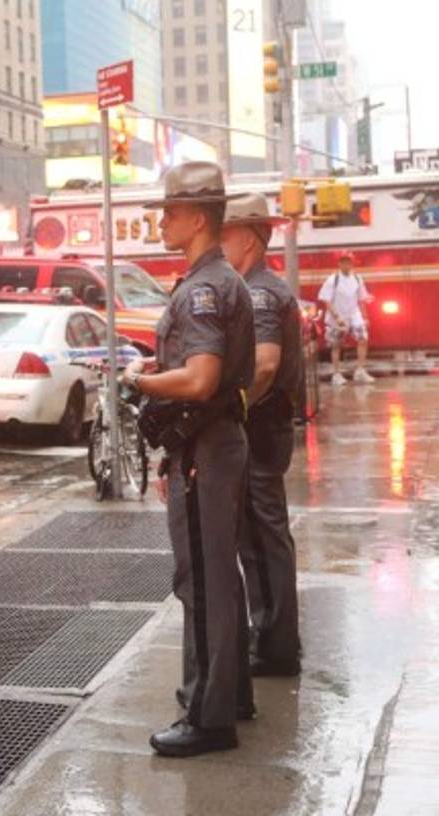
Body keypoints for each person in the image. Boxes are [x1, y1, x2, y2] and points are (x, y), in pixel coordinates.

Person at [119, 162, 256, 758]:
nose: (161, 221)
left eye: (169, 212)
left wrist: (139, 381)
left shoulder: (203, 289)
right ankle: (232, 694)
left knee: (201, 580)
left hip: (206, 447)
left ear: (198, 218)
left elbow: (200, 380)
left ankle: (207, 717)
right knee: (220, 574)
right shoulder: (215, 279)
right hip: (208, 444)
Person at [221, 194, 303, 678]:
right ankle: (274, 637)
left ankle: (274, 645)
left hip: (260, 429)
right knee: (262, 537)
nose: (220, 243)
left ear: (249, 239)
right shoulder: (263, 288)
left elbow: (266, 364)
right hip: (267, 428)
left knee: (261, 538)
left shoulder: (258, 293)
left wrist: (233, 408)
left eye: (226, 233)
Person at [318, 250, 373, 385]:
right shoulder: (333, 279)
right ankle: (336, 374)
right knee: (336, 345)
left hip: (354, 314)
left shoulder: (357, 278)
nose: (346, 264)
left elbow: (361, 299)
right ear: (339, 263)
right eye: (343, 261)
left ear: (352, 263)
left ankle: (360, 371)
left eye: (348, 261)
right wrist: (337, 317)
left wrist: (365, 317)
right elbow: (327, 301)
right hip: (337, 315)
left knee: (363, 338)